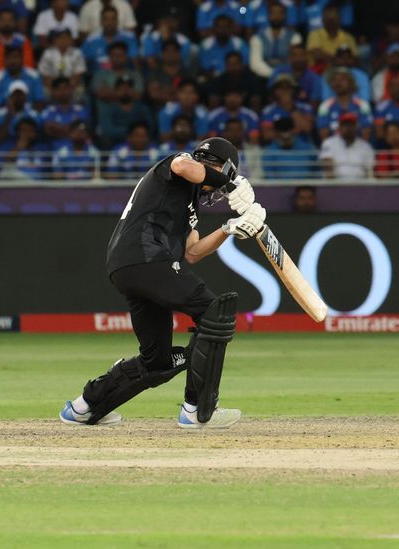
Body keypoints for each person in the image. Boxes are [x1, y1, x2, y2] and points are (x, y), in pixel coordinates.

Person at [59, 137, 264, 428]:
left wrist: (229, 229)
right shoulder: (178, 164)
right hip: (146, 258)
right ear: (221, 167)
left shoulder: (188, 201)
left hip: (130, 266)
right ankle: (198, 410)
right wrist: (230, 182)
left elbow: (192, 252)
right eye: (223, 175)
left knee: (158, 362)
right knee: (213, 312)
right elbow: (183, 166)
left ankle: (84, 407)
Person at [248, 1, 301, 79]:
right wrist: (274, 74)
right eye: (273, 13)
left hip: (288, 77)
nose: (277, 16)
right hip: (264, 78)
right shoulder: (257, 38)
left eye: (280, 13)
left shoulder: (294, 37)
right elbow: (255, 63)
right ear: (268, 16)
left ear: (285, 16)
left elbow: (295, 61)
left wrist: (283, 74)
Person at [319, 112, 375, 180]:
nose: (348, 128)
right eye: (345, 125)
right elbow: (328, 167)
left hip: (360, 184)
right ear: (339, 127)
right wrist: (334, 185)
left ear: (356, 127)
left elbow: (369, 172)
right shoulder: (329, 143)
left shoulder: (366, 147)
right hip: (336, 184)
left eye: (351, 125)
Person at [37, 28, 86, 99]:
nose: (63, 40)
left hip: (71, 85)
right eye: (60, 38)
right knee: (44, 91)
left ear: (71, 40)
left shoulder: (77, 53)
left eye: (66, 38)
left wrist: (66, 89)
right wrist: (56, 89)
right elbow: (45, 76)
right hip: (53, 84)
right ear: (55, 40)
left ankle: (74, 106)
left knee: (79, 90)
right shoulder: (48, 53)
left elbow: (78, 75)